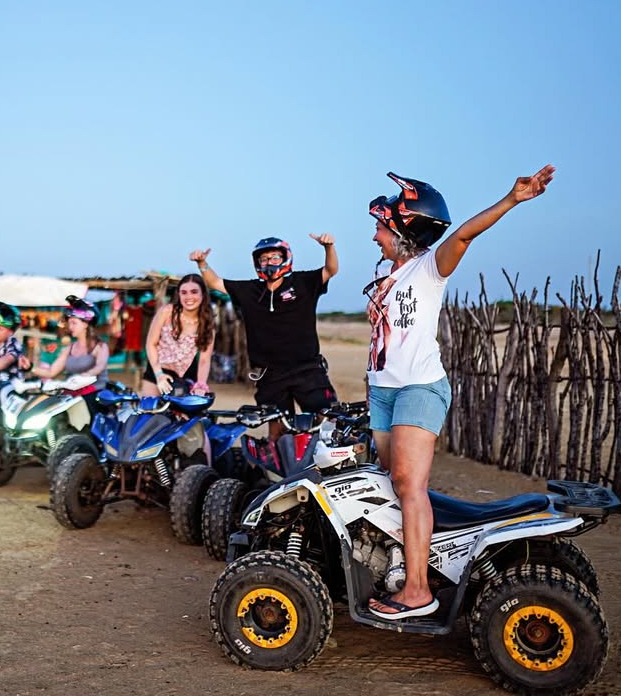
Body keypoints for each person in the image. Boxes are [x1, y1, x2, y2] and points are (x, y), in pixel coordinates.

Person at [363, 166, 555, 621]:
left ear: (401, 229)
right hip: (382, 392)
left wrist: (511, 199)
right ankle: (416, 559)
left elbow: (465, 236)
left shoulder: (428, 268)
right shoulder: (389, 278)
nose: (373, 237)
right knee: (391, 478)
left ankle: (417, 591)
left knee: (410, 485)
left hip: (418, 388)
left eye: (379, 227)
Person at [190, 234, 338, 428]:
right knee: (277, 431)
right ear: (257, 262)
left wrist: (328, 247)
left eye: (275, 257)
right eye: (264, 258)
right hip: (270, 375)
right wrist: (202, 263)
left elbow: (330, 269)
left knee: (326, 423)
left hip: (308, 370)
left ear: (286, 258)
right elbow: (216, 283)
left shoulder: (303, 283)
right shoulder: (249, 290)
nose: (269, 262)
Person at [142, 275, 214, 397]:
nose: (189, 297)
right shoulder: (167, 312)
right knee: (150, 411)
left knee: (187, 415)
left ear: (203, 294)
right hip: (158, 371)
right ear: (179, 295)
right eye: (184, 292)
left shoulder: (206, 323)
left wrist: (201, 384)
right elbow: (151, 343)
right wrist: (159, 375)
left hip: (187, 376)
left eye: (194, 292)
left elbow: (204, 359)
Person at [29, 296, 110, 399]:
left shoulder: (100, 346)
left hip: (95, 395)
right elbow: (51, 372)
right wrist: (30, 368)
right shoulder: (69, 348)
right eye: (69, 323)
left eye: (74, 323)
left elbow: (100, 366)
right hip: (73, 396)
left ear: (85, 324)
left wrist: (84, 376)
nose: (70, 327)